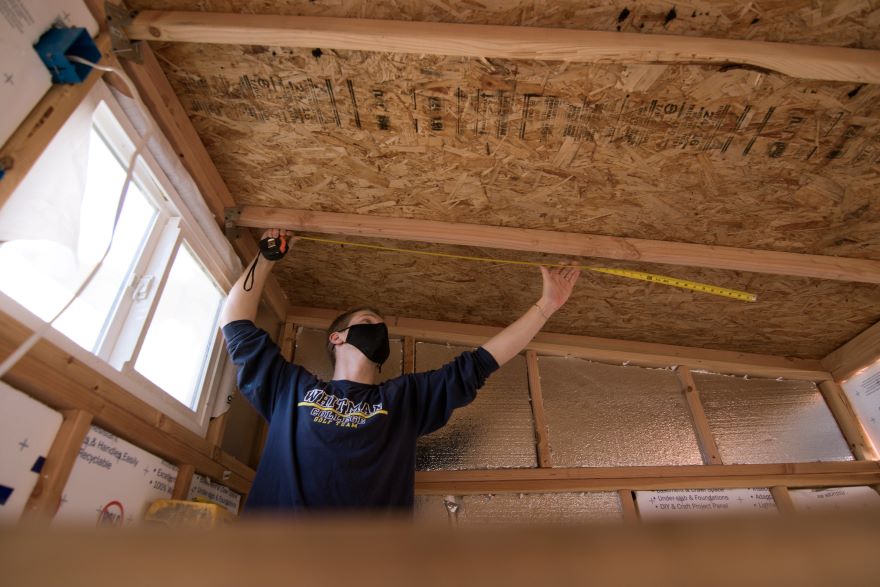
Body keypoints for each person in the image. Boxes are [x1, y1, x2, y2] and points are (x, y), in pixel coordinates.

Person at [220, 229, 580, 512]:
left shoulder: (405, 398)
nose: (377, 329)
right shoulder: (291, 388)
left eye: (381, 328)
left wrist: (546, 306)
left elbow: (482, 362)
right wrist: (265, 259)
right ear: (337, 337)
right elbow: (235, 325)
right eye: (367, 322)